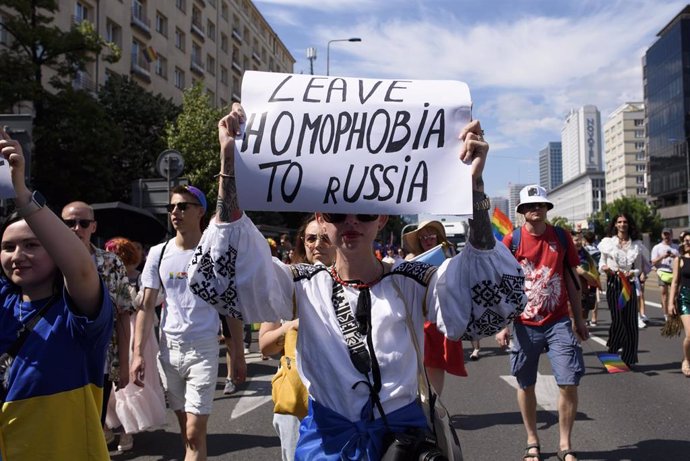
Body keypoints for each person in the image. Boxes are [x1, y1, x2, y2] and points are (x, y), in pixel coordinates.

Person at [186, 105, 526, 459]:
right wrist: (229, 163)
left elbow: (481, 290)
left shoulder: (412, 281)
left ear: (380, 218)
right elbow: (233, 270)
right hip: (327, 445)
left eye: (364, 212)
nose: (351, 222)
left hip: (402, 445)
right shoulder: (301, 283)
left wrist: (475, 187)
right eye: (337, 212)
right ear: (322, 218)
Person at [0, 127, 113, 460]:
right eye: (7, 247)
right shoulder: (5, 303)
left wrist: (21, 192)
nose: (18, 255)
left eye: (33, 245)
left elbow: (81, 270)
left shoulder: (77, 317)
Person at [130, 185, 246, 461]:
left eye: (183, 206)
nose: (175, 212)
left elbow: (231, 307)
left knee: (194, 432)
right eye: (171, 207)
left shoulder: (215, 254)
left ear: (200, 212)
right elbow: (147, 307)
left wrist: (239, 353)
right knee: (188, 433)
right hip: (168, 350)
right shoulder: (158, 254)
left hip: (203, 349)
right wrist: (137, 354)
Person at [496, 184, 589, 461]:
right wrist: (503, 324)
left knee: (568, 381)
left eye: (541, 205)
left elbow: (572, 280)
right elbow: (503, 285)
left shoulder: (561, 237)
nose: (536, 209)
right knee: (525, 384)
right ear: (522, 211)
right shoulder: (511, 241)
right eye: (531, 205)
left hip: (558, 320)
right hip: (524, 324)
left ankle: (564, 444)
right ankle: (532, 440)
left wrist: (579, 319)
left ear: (547, 209)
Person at [259, 215, 334, 461]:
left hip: (340, 400)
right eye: (311, 238)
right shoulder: (286, 282)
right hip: (296, 399)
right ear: (303, 242)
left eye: (325, 237)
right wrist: (292, 326)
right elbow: (265, 345)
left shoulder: (354, 284)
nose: (317, 244)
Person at [61, 200, 134, 445]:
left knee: (93, 425)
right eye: (69, 223)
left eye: (83, 223)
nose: (76, 228)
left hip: (100, 360)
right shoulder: (49, 260)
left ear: (93, 227)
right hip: (58, 357)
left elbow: (123, 313)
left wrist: (123, 364)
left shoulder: (111, 263)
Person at [103, 237, 167, 452]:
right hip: (115, 330)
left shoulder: (141, 278)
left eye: (118, 254)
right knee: (111, 381)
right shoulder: (108, 277)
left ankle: (127, 433)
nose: (114, 259)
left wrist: (137, 298)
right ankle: (109, 425)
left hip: (137, 331)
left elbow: (154, 300)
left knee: (129, 382)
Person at [403, 220, 469, 392]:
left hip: (440, 319)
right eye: (423, 236)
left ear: (438, 237)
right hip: (417, 319)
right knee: (414, 368)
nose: (427, 239)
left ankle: (435, 411)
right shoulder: (410, 260)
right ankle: (423, 408)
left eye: (431, 235)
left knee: (435, 365)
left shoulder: (450, 258)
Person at [597, 213, 649, 369]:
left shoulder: (637, 245)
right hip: (614, 284)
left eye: (625, 222)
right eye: (619, 222)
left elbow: (641, 267)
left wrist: (634, 273)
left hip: (629, 285)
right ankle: (612, 353)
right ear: (615, 225)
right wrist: (605, 269)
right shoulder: (607, 243)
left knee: (631, 322)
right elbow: (601, 263)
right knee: (618, 320)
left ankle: (628, 358)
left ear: (629, 224)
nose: (622, 224)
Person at [668, 231, 690, 377]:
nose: (688, 242)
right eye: (685, 240)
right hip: (685, 298)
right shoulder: (679, 259)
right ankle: (687, 360)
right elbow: (675, 282)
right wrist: (671, 303)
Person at [651, 228, 679, 322]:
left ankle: (674, 312)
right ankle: (666, 315)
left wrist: (674, 256)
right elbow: (653, 262)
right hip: (662, 272)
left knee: (675, 294)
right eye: (665, 234)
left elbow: (681, 259)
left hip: (674, 273)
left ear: (671, 235)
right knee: (664, 294)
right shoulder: (657, 247)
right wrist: (663, 256)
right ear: (662, 235)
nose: (667, 236)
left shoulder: (676, 247)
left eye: (668, 234)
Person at [572, 231, 600, 325]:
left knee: (579, 329)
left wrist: (583, 273)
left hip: (583, 298)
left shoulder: (587, 258)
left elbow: (595, 280)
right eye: (576, 240)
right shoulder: (563, 257)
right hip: (568, 299)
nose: (579, 242)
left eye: (580, 239)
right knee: (572, 327)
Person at [582, 231, 601, 325]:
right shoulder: (597, 250)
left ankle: (584, 318)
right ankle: (594, 318)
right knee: (594, 296)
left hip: (585, 276)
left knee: (584, 297)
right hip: (596, 275)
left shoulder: (583, 250)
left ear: (584, 239)